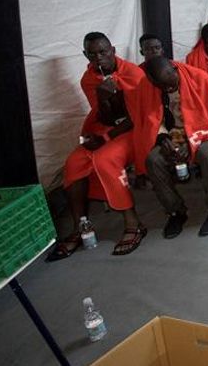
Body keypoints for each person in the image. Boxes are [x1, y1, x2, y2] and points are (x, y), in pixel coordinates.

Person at [47, 33, 146, 261]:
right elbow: (105, 116)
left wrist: (106, 138)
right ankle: (80, 226)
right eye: (92, 54)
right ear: (85, 55)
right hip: (107, 128)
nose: (98, 58)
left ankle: (133, 222)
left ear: (112, 50)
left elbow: (137, 116)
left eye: (103, 52)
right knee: (73, 162)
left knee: (105, 159)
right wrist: (103, 98)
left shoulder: (133, 73)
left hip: (133, 129)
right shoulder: (89, 79)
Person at [126, 56, 208, 238]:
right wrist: (162, 137)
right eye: (163, 86)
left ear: (174, 69)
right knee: (153, 160)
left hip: (202, 133)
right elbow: (151, 119)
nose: (169, 89)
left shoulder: (199, 78)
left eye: (171, 84)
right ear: (152, 81)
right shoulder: (147, 86)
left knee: (206, 153)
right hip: (173, 135)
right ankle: (175, 211)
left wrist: (192, 145)